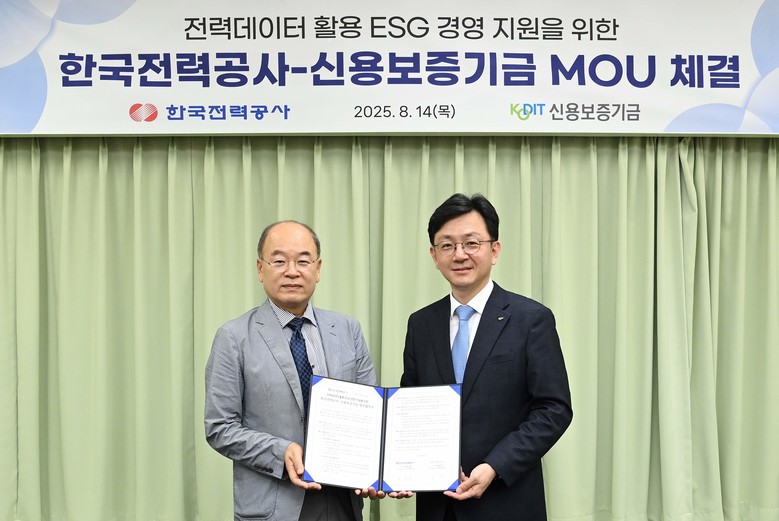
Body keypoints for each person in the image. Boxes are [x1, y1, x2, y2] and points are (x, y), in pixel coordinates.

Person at [400, 193, 573, 521]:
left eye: (471, 243)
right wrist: (400, 467)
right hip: (438, 507)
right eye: (447, 245)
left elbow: (554, 409)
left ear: (494, 250)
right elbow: (410, 407)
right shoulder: (421, 324)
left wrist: (495, 465)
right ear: (434, 255)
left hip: (507, 502)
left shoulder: (531, 319)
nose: (459, 254)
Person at [205, 220, 381, 521]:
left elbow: (370, 415)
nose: (292, 271)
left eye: (303, 261)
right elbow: (219, 427)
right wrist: (280, 451)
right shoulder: (233, 337)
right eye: (279, 261)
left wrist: (377, 468)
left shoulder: (348, 330)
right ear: (260, 269)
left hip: (343, 501)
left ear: (318, 268)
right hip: (275, 504)